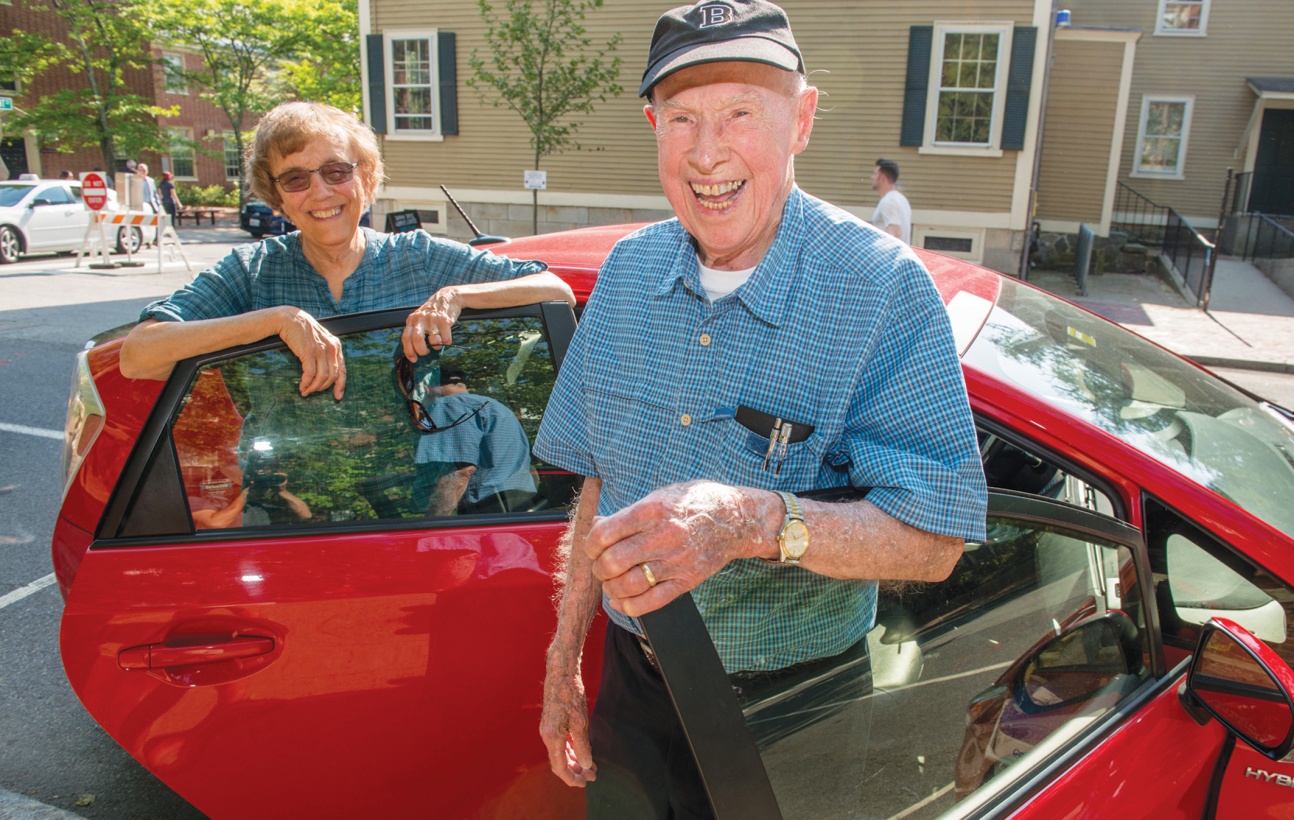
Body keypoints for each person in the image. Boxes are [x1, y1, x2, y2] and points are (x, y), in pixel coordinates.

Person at [533, 2, 986, 817]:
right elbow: (599, 481)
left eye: (740, 112)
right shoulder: (627, 275)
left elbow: (935, 542)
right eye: (682, 119)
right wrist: (566, 655)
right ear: (653, 126)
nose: (708, 154)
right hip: (632, 686)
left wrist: (751, 521)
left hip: (792, 708)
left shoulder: (881, 290)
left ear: (801, 119)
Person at [120, 101, 575, 397]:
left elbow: (555, 290)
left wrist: (454, 296)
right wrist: (278, 320)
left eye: (336, 171)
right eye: (296, 178)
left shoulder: (418, 257)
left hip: (421, 505)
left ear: (367, 179)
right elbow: (137, 355)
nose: (320, 192)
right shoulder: (251, 271)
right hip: (282, 511)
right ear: (276, 196)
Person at [413, 365, 538, 516]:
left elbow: (461, 471)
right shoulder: (495, 406)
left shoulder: (448, 405)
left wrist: (432, 523)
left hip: (488, 508)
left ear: (424, 388)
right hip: (521, 503)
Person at [870, 157, 912, 244]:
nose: (871, 177)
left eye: (875, 174)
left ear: (882, 178)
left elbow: (894, 234)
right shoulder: (901, 199)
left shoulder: (889, 201)